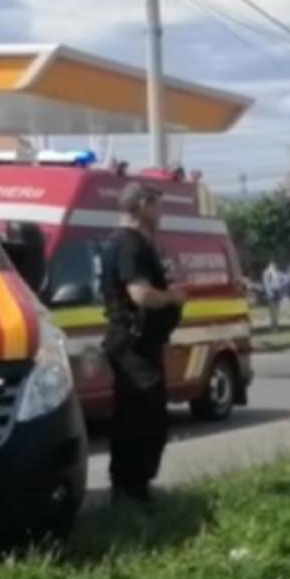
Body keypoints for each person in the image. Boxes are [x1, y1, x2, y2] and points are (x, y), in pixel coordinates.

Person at [100, 182, 187, 505]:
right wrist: (173, 297)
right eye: (157, 206)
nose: (161, 213)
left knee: (139, 415)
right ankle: (130, 489)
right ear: (141, 206)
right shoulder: (129, 244)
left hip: (141, 343)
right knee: (143, 417)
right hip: (133, 343)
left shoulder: (138, 243)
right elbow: (141, 295)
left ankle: (133, 487)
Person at [261, 261, 286, 329]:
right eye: (273, 265)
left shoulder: (278, 272)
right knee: (272, 309)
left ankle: (276, 323)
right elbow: (266, 283)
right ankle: (273, 324)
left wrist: (281, 286)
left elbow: (283, 280)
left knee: (277, 309)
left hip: (277, 291)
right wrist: (269, 292)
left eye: (275, 265)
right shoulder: (267, 272)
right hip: (271, 291)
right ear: (270, 265)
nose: (275, 266)